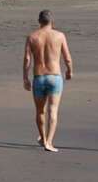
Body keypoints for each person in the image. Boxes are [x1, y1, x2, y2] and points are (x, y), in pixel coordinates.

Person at [23, 9, 73, 153]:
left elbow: (27, 59)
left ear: (39, 21)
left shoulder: (32, 36)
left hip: (39, 77)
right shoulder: (59, 36)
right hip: (54, 77)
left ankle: (43, 138)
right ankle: (49, 142)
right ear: (52, 22)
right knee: (53, 110)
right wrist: (69, 71)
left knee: (40, 111)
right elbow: (67, 57)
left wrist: (25, 77)